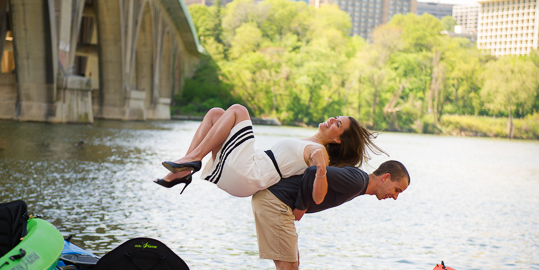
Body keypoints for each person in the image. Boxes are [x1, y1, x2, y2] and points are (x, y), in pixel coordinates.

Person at [252, 160, 410, 270]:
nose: (395, 197)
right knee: (288, 268)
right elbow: (313, 172)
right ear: (385, 178)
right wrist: (301, 206)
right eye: (397, 190)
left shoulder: (358, 183)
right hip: (275, 202)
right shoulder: (358, 181)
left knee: (291, 267)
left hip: (276, 202)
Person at [154, 104, 384, 197]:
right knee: (215, 113)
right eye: (336, 117)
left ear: (337, 140)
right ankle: (184, 168)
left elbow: (316, 190)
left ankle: (191, 160)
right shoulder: (308, 142)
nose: (332, 119)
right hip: (250, 170)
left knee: (238, 110)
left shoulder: (319, 152)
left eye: (338, 124)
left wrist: (300, 207)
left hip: (252, 173)